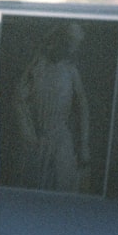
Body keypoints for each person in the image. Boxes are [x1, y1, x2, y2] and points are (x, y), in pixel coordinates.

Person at [11, 22, 91, 192]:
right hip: (38, 138)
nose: (70, 48)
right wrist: (27, 131)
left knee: (62, 182)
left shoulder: (70, 71)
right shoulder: (37, 66)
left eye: (74, 45)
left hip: (61, 138)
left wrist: (83, 145)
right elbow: (19, 98)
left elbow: (82, 109)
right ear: (59, 40)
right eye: (68, 42)